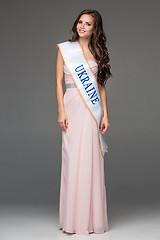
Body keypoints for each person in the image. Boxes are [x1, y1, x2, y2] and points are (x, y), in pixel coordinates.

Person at [55, 9, 112, 236]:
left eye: (87, 24)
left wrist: (105, 114)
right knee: (72, 159)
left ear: (94, 28)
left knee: (91, 160)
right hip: (72, 106)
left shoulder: (98, 52)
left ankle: (91, 220)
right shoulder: (65, 49)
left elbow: (100, 87)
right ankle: (72, 220)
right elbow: (58, 82)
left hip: (92, 111)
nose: (82, 26)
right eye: (80, 22)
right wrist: (61, 110)